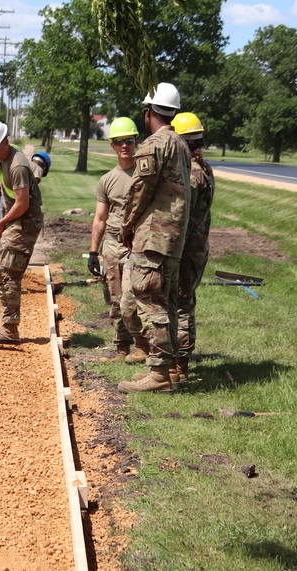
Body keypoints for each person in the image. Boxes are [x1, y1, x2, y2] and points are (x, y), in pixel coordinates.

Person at [117, 82, 191, 393]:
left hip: (154, 237)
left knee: (150, 300)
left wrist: (126, 225)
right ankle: (171, 369)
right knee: (168, 301)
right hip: (174, 237)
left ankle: (159, 374)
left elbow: (139, 190)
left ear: (149, 113)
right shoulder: (182, 145)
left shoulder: (154, 145)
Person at [87, 117, 150, 363]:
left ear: (137, 142)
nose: (125, 146)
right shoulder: (107, 180)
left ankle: (143, 346)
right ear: (112, 145)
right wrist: (94, 252)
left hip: (137, 244)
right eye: (119, 142)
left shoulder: (146, 175)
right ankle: (122, 348)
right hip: (112, 245)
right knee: (114, 300)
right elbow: (100, 219)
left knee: (130, 299)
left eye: (129, 141)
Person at [0, 118, 44, 341]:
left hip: (25, 222)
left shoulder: (17, 165)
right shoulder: (3, 158)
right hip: (16, 218)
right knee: (2, 268)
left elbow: (23, 203)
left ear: (5, 141)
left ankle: (10, 329)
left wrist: (2, 222)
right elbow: (2, 175)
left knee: (8, 272)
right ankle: (8, 325)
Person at [171, 112, 215, 385]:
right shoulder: (203, 167)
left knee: (182, 303)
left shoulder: (192, 172)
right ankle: (177, 361)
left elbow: (181, 213)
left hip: (187, 247)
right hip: (197, 245)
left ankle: (181, 365)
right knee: (181, 301)